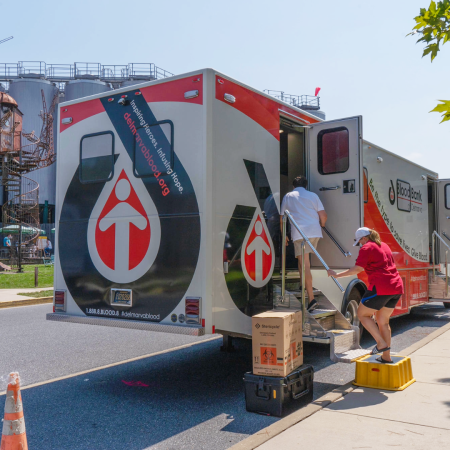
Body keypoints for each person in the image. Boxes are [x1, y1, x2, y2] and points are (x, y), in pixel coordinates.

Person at [327, 227, 404, 363]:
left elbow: (357, 269)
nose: (360, 245)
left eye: (359, 242)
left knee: (362, 314)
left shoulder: (367, 247)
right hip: (396, 287)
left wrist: (337, 275)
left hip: (381, 287)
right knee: (383, 321)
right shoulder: (384, 245)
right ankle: (386, 357)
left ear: (364, 238)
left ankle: (380, 343)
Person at [280, 175, 327, 311]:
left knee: (305, 264)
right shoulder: (313, 196)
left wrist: (284, 235)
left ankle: (311, 299)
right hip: (314, 232)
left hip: (300, 234)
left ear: (293, 186)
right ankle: (302, 284)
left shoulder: (288, 196)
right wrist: (322, 225)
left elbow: (282, 216)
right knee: (302, 261)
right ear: (305, 186)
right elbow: (323, 216)